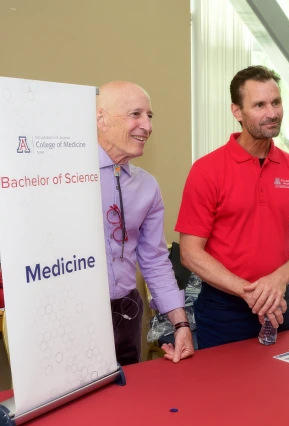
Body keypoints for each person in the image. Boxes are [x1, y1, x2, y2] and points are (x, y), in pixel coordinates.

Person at [175, 66, 289, 349]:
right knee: (226, 392)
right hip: (224, 309)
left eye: (276, 102)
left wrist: (277, 281)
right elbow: (190, 253)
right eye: (259, 105)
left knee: (282, 388)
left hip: (280, 303)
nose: (272, 112)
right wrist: (251, 293)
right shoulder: (207, 171)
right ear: (237, 111)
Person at [97, 81, 194, 365]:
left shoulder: (147, 186)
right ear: (101, 119)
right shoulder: (64, 178)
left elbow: (154, 259)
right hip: (74, 317)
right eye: (135, 114)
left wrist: (180, 324)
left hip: (127, 313)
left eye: (149, 116)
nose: (147, 126)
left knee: (126, 402)